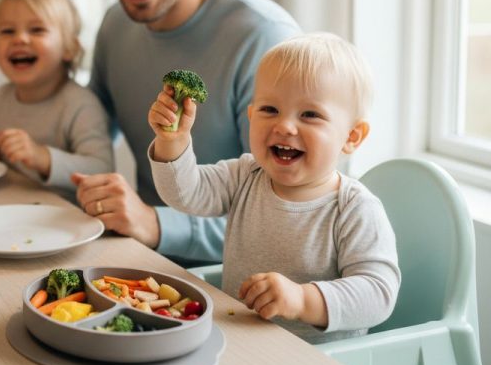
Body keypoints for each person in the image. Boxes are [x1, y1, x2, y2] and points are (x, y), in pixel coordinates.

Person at [72, 0, 300, 265]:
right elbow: (86, 134)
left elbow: (292, 219)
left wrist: (155, 223)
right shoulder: (116, 25)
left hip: (239, 294)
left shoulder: (265, 39)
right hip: (139, 265)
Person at [148, 33, 400, 343]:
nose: (284, 126)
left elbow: (378, 293)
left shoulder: (355, 208)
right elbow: (184, 193)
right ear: (251, 116)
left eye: (310, 114)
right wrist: (172, 142)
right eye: (270, 110)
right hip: (239, 342)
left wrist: (303, 300)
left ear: (352, 137)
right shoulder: (244, 175)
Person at [0, 0, 113, 201]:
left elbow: (102, 169)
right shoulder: (1, 99)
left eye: (37, 30)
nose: (20, 39)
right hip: (17, 205)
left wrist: (43, 158)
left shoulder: (80, 105)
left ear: (69, 49)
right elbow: (1, 130)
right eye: (7, 31)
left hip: (69, 219)